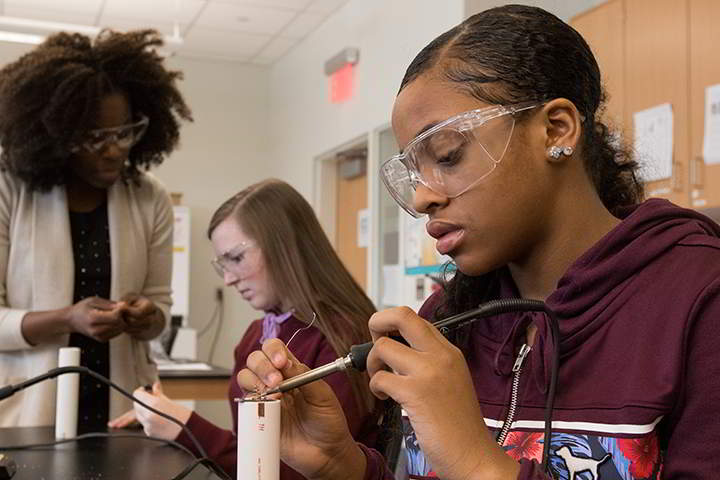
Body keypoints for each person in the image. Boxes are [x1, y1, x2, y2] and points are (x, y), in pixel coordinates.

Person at [236, 5, 720, 480]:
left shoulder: (699, 298)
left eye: (447, 156)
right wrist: (344, 466)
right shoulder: (447, 318)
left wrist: (479, 465)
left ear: (556, 129)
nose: (424, 197)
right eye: (414, 174)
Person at [121, 179, 382, 479]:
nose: (229, 279)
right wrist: (158, 417)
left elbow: (306, 469)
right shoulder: (256, 334)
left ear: (285, 245)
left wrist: (185, 427)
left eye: (236, 258)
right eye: (223, 264)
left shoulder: (344, 338)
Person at [0, 29, 192, 431]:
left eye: (125, 132)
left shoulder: (148, 196)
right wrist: (67, 318)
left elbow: (160, 310)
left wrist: (146, 317)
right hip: (26, 412)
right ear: (54, 134)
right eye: (94, 138)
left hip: (123, 410)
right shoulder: (9, 190)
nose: (115, 149)